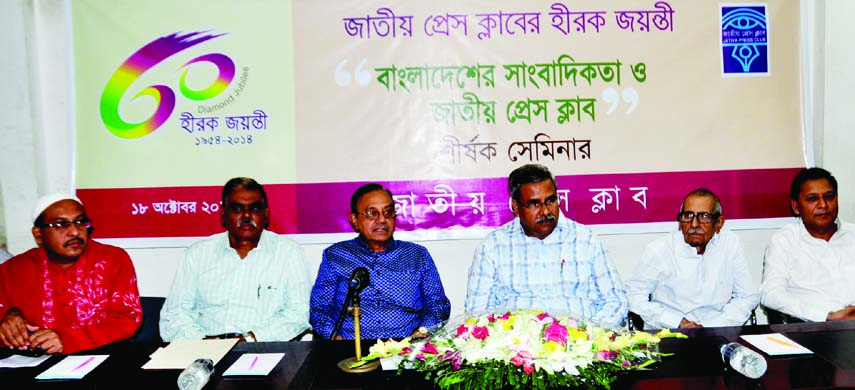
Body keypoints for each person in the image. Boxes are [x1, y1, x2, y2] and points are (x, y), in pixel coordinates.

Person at [465, 164, 627, 327]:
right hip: (517, 347)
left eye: (550, 201)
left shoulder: (585, 240)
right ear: (516, 206)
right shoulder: (493, 246)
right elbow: (476, 313)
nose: (545, 211)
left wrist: (588, 335)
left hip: (582, 343)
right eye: (535, 204)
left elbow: (616, 301)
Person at [160, 178, 311, 341]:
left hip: (261, 348)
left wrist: (250, 339)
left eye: (254, 208)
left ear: (266, 214)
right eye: (237, 208)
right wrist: (202, 342)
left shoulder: (288, 253)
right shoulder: (198, 253)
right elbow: (174, 315)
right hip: (203, 347)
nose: (246, 215)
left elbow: (297, 315)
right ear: (223, 214)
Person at [0, 194, 142, 354]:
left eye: (80, 222)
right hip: (32, 366)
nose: (75, 232)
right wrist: (6, 323)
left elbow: (128, 319)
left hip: (104, 358)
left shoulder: (112, 260)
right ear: (38, 234)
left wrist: (67, 340)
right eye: (61, 224)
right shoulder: (12, 270)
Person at [310, 184, 451, 339]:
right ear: (355, 220)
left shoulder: (417, 255)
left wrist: (421, 334)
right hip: (351, 350)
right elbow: (319, 310)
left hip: (406, 349)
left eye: (388, 212)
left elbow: (438, 306)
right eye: (372, 213)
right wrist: (337, 340)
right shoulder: (336, 256)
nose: (382, 219)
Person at [625, 189, 760, 329]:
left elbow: (748, 296)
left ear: (719, 223)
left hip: (719, 331)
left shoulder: (730, 244)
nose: (694, 224)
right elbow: (633, 295)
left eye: (704, 217)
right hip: (670, 333)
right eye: (688, 215)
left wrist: (717, 325)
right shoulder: (660, 249)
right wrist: (676, 322)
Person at [761, 167, 855, 322]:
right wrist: (825, 316)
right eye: (812, 198)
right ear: (796, 206)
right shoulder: (784, 241)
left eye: (829, 196)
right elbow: (771, 294)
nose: (823, 204)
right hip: (815, 329)